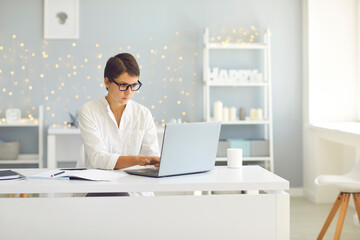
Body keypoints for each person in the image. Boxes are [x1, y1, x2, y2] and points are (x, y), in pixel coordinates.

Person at [78, 53, 160, 171]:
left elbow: (152, 159)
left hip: (136, 186)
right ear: (107, 82)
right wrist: (138, 160)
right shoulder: (89, 111)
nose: (129, 92)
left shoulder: (143, 113)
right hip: (101, 185)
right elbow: (98, 158)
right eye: (123, 85)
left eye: (134, 85)